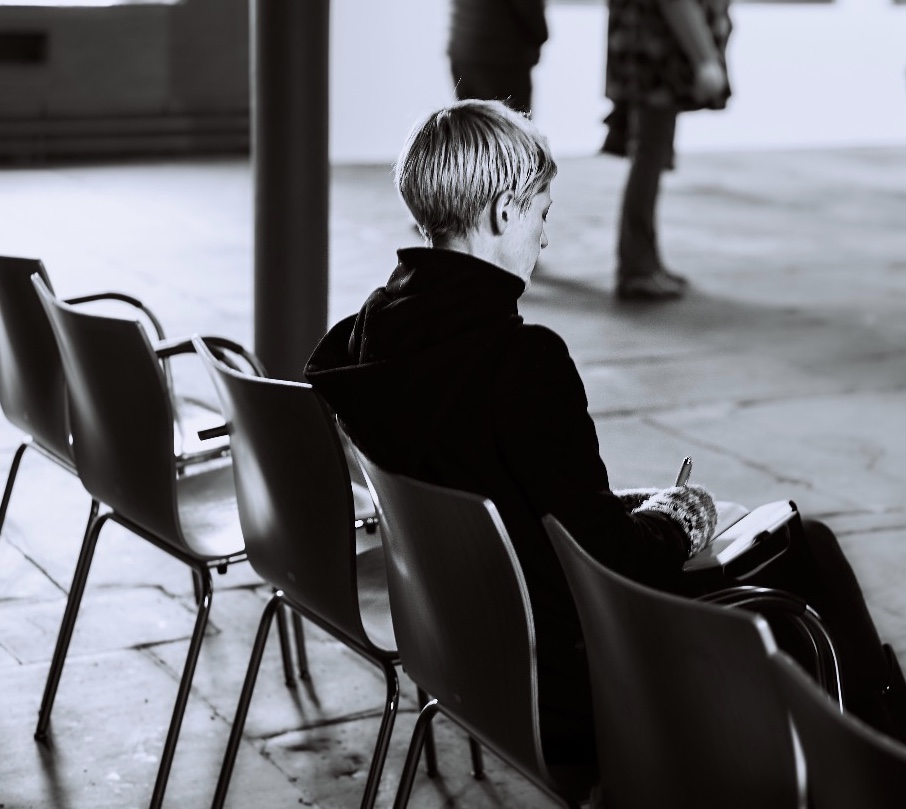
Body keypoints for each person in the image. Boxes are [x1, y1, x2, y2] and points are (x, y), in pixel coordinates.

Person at [304, 100, 906, 767]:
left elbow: (505, 491)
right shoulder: (519, 362)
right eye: (542, 214)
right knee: (806, 547)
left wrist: (621, 508)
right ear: (504, 212)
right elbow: (615, 561)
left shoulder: (371, 340)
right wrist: (680, 518)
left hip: (464, 650)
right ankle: (884, 748)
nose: (544, 239)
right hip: (572, 674)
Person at [603, 0, 733, 300]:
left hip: (647, 60)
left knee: (650, 155)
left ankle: (643, 262)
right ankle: (638, 268)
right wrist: (705, 58)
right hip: (656, 65)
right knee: (649, 157)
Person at [447, 0, 548, 115]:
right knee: (509, 120)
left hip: (462, 49)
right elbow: (531, 12)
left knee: (469, 120)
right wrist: (541, 36)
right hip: (500, 57)